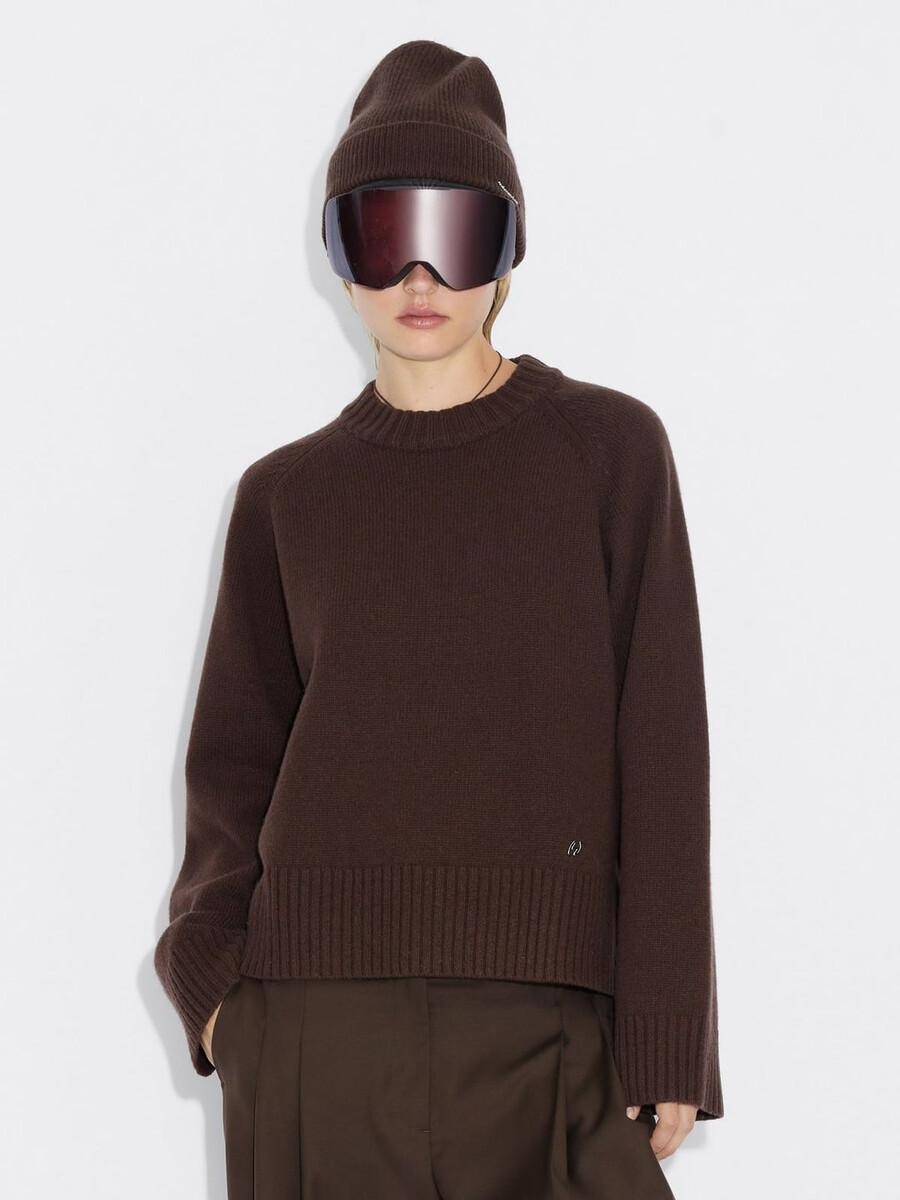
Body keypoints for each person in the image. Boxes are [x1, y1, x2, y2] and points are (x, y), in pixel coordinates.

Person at [155, 38, 724, 1199]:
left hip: (556, 1023)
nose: (419, 274)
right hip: (314, 1030)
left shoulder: (610, 452)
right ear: (338, 252)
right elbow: (232, 769)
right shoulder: (284, 496)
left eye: (457, 231)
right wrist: (215, 992)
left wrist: (670, 1026)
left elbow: (664, 754)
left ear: (508, 248)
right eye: (382, 230)